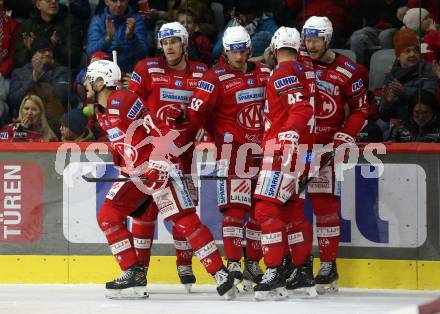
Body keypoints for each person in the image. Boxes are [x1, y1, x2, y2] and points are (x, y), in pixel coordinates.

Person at [85, 59, 236, 300]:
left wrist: (160, 162)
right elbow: (126, 138)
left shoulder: (121, 99)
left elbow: (156, 126)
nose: (85, 83)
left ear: (101, 81)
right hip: (135, 173)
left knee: (185, 221)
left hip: (159, 166)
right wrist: (119, 155)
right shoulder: (100, 111)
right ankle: (133, 272)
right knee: (108, 215)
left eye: (89, 78)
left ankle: (221, 274)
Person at [168, 25, 270, 290]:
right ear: (226, 50)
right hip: (231, 152)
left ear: (250, 49)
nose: (238, 55)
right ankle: (234, 262)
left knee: (260, 212)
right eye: (233, 51)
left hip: (263, 152)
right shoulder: (214, 78)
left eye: (242, 50)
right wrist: (183, 119)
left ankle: (253, 263)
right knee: (235, 212)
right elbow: (196, 111)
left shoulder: (264, 74)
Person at [128, 21, 210, 292]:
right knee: (146, 211)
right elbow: (130, 106)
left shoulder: (201, 72)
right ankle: (139, 271)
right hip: (151, 154)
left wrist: (204, 131)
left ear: (184, 43)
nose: (169, 46)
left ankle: (184, 263)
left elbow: (209, 108)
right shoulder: (146, 68)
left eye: (174, 41)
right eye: (164, 42)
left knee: (184, 211)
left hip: (185, 154)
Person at [301, 16, 368, 294]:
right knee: (290, 207)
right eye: (307, 38)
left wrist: (345, 134)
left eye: (316, 38)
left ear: (328, 39)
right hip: (297, 146)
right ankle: (299, 263)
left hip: (327, 147)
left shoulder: (349, 70)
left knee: (324, 205)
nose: (311, 44)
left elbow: (362, 109)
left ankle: (328, 265)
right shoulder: (297, 64)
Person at [250, 26, 317, 300]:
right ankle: (300, 272)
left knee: (265, 210)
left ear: (274, 47)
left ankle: (275, 270)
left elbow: (301, 107)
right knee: (291, 212)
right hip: (300, 151)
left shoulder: (285, 71)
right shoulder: (300, 70)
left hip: (283, 151)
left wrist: (288, 134)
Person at [8, 35, 74, 127]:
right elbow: (13, 101)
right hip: (24, 121)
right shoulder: (19, 73)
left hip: (53, 123)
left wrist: (42, 75)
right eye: (42, 51)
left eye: (49, 50)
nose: (47, 53)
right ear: (33, 55)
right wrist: (33, 79)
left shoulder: (62, 71)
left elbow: (62, 96)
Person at [380, 28, 438, 123]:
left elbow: (430, 99)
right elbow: (384, 116)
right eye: (407, 51)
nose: (412, 54)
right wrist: (387, 103)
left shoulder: (428, 70)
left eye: (416, 51)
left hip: (421, 123)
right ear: (398, 56)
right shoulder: (391, 76)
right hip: (396, 124)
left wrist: (404, 92)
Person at [13, 0, 83, 69]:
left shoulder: (70, 23)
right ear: (38, 5)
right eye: (48, 0)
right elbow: (17, 62)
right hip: (32, 73)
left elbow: (75, 59)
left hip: (59, 72)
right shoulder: (27, 25)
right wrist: (28, 50)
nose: (53, 1)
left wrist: (57, 46)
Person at [87, 0, 149, 73]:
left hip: (130, 72)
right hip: (104, 72)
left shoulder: (136, 20)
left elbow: (144, 53)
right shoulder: (97, 20)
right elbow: (91, 52)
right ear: (107, 1)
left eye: (122, 0)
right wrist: (108, 38)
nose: (119, 4)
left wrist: (132, 37)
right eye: (114, 0)